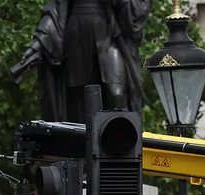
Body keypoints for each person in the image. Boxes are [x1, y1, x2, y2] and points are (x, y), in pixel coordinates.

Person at [12, 0, 151, 122]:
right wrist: (40, 41)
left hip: (110, 35)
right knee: (81, 104)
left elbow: (138, 11)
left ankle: (122, 147)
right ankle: (82, 147)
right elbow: (56, 9)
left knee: (117, 94)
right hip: (77, 37)